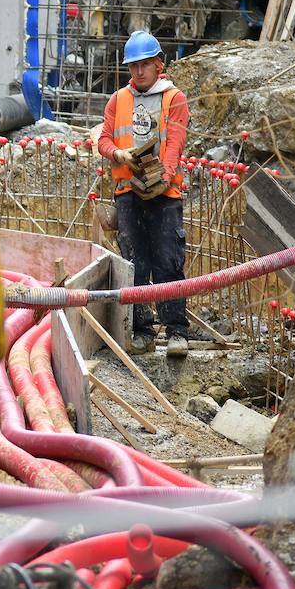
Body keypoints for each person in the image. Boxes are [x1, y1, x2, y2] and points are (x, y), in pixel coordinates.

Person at [98, 30, 191, 359]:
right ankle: (142, 332)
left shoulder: (174, 98)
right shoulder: (118, 100)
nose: (139, 71)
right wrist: (118, 154)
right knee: (134, 263)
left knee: (168, 260)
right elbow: (104, 140)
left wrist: (163, 177)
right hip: (128, 192)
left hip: (165, 194)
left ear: (158, 65)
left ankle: (177, 331)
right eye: (134, 65)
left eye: (145, 64)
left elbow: (175, 143)